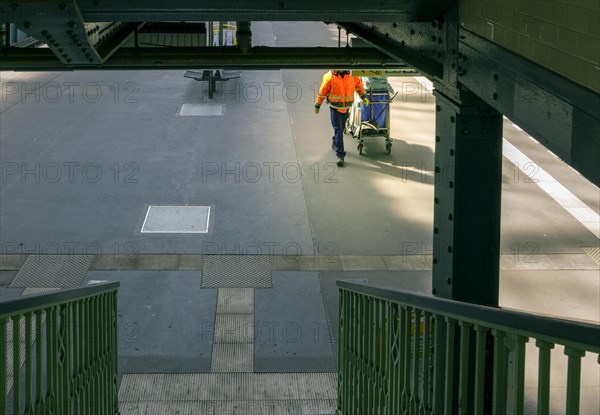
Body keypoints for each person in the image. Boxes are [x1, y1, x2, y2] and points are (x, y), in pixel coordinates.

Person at [314, 70, 369, 166]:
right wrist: (317, 104)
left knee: (340, 129)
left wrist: (363, 96)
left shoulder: (352, 75)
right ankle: (340, 155)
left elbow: (358, 86)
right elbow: (322, 92)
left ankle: (335, 142)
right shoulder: (329, 77)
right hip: (335, 108)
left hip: (346, 108)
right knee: (339, 130)